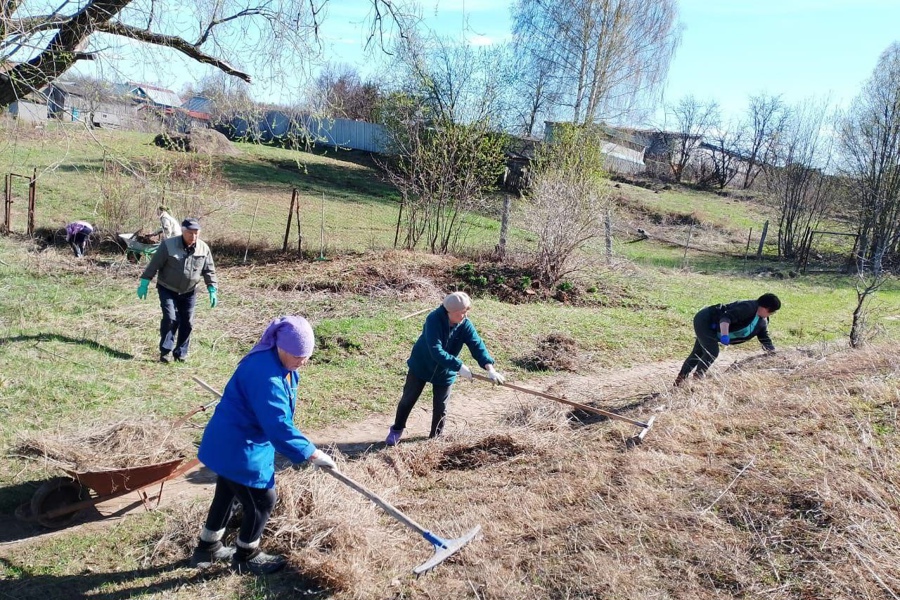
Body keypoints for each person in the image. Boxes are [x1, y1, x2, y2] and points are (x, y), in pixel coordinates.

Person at [190, 316, 337, 575]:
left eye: (307, 356)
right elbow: (278, 424)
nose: (302, 361)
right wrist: (311, 453)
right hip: (239, 445)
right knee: (263, 500)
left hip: (233, 440)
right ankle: (247, 555)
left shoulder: (273, 360)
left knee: (227, 491)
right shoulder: (266, 376)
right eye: (297, 355)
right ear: (281, 347)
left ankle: (208, 546)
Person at [385, 292, 506, 446]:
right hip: (421, 365)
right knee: (408, 399)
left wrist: (490, 368)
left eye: (467, 312)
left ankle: (435, 438)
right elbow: (436, 351)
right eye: (462, 313)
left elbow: (477, 346)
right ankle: (396, 429)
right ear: (451, 312)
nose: (465, 316)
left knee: (441, 407)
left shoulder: (465, 325)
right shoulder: (433, 319)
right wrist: (459, 366)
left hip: (445, 371)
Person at [136, 217, 218, 363]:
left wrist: (212, 288)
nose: (193, 236)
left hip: (189, 291)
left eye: (196, 233)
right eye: (190, 233)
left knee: (187, 322)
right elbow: (154, 265)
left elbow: (209, 270)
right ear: (183, 231)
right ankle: (165, 352)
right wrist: (144, 282)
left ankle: (180, 353)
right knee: (171, 318)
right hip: (168, 287)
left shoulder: (203, 248)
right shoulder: (168, 245)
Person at [675, 293, 782, 385]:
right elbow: (726, 318)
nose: (771, 314)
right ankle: (697, 379)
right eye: (771, 311)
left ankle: (680, 381)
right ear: (765, 307)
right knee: (712, 351)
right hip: (705, 320)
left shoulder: (762, 321)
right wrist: (725, 335)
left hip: (714, 329)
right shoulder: (748, 307)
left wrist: (771, 351)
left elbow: (764, 337)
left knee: (698, 353)